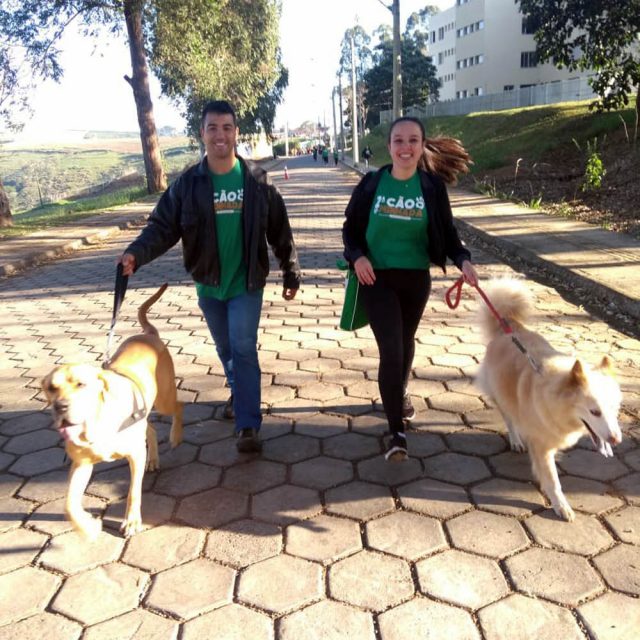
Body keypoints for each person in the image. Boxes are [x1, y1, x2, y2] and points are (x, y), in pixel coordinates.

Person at [119, 100, 300, 453]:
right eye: (213, 128)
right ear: (202, 133)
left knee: (243, 347)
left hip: (246, 282)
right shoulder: (188, 185)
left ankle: (248, 424)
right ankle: (239, 391)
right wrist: (135, 254)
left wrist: (290, 271)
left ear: (236, 133)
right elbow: (161, 227)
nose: (220, 135)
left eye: (227, 128)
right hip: (209, 284)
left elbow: (280, 229)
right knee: (226, 348)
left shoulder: (256, 181)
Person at [343, 117, 478, 462]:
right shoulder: (372, 184)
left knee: (404, 342)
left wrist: (463, 260)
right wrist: (357, 257)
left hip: (416, 279)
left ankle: (399, 392)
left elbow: (448, 233)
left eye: (413, 140)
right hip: (376, 278)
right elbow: (350, 230)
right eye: (399, 140)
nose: (406, 147)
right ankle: (396, 433)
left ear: (421, 145)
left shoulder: (431, 187)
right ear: (389, 146)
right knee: (391, 349)